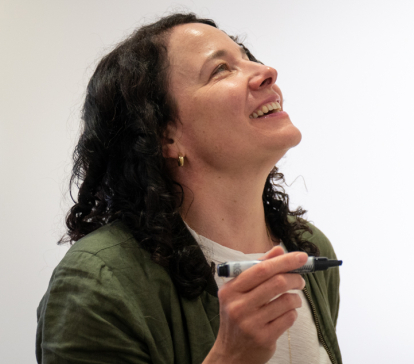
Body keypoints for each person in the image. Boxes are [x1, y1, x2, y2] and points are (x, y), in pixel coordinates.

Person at [36, 13, 341, 364]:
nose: (267, 71)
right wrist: (231, 358)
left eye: (247, 57)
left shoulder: (310, 247)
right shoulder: (97, 282)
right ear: (166, 135)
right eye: (221, 69)